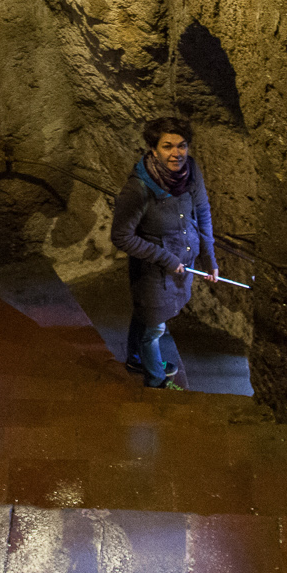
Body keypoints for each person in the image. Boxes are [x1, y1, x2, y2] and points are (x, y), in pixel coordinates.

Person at [109, 117, 219, 390]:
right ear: (154, 149)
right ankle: (156, 380)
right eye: (167, 146)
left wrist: (209, 259)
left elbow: (202, 212)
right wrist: (166, 258)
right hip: (153, 272)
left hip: (182, 264)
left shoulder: (190, 171)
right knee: (154, 328)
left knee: (147, 313)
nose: (176, 153)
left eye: (182, 146)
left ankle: (136, 359)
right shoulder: (139, 188)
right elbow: (121, 236)